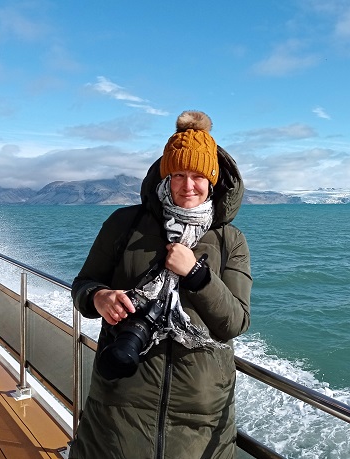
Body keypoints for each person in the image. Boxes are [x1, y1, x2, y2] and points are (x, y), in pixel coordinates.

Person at [69, 110, 252, 459]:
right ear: (165, 177)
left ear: (212, 181)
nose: (188, 185)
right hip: (120, 397)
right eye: (178, 174)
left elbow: (235, 322)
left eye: (198, 175)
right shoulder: (125, 224)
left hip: (201, 410)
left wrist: (197, 274)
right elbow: (83, 284)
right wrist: (98, 297)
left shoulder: (230, 240)